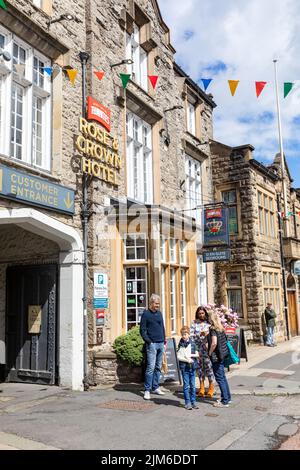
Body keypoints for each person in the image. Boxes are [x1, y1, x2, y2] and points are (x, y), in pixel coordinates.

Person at [140, 294, 166, 400]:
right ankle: (147, 390)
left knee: (158, 367)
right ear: (151, 303)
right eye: (156, 304)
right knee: (150, 368)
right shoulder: (146, 314)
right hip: (152, 344)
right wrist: (149, 342)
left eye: (159, 304)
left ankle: (155, 387)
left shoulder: (159, 314)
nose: (157, 306)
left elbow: (162, 327)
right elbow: (142, 330)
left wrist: (164, 340)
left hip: (161, 343)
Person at [207, 311, 232, 407]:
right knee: (223, 377)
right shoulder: (221, 328)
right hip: (222, 355)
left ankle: (224, 401)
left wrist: (209, 352)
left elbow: (214, 342)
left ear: (211, 319)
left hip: (216, 356)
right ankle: (227, 397)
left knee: (220, 378)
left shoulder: (213, 329)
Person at [190, 306, 215, 398]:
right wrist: (199, 334)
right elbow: (191, 336)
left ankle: (211, 387)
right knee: (200, 369)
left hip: (207, 349)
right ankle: (201, 387)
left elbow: (213, 334)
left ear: (205, 313)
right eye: (199, 313)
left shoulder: (209, 323)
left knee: (209, 367)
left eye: (202, 313)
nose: (201, 315)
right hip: (198, 349)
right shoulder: (194, 323)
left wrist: (207, 334)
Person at [177, 326, 199, 410]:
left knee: (193, 385)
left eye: (185, 334)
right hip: (184, 367)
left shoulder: (193, 343)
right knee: (186, 385)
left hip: (192, 367)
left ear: (189, 334)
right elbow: (179, 356)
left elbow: (197, 354)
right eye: (182, 334)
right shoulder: (180, 344)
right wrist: (186, 359)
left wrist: (191, 355)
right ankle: (187, 403)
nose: (183, 336)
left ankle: (193, 402)